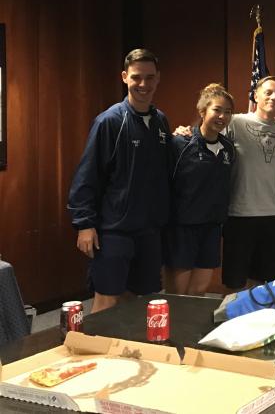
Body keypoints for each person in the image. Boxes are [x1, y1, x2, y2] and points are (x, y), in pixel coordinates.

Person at [67, 48, 171, 313]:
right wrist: (84, 225)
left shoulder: (161, 123)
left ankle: (128, 354)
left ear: (158, 79)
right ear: (125, 77)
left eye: (150, 77)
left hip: (149, 231)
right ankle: (95, 352)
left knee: (142, 301)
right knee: (107, 300)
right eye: (137, 77)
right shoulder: (109, 121)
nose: (143, 84)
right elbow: (86, 175)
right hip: (114, 231)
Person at [164, 84, 235, 296]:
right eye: (217, 110)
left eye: (228, 112)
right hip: (182, 228)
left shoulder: (228, 148)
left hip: (211, 228)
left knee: (199, 290)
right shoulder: (180, 143)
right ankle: (173, 330)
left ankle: (193, 331)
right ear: (202, 111)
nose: (222, 116)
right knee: (178, 293)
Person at [223, 76, 275, 291]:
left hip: (272, 213)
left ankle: (258, 321)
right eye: (268, 92)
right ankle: (234, 322)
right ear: (255, 95)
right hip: (239, 213)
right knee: (236, 281)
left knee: (266, 281)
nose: (273, 97)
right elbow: (208, 134)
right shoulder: (235, 121)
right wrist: (186, 131)